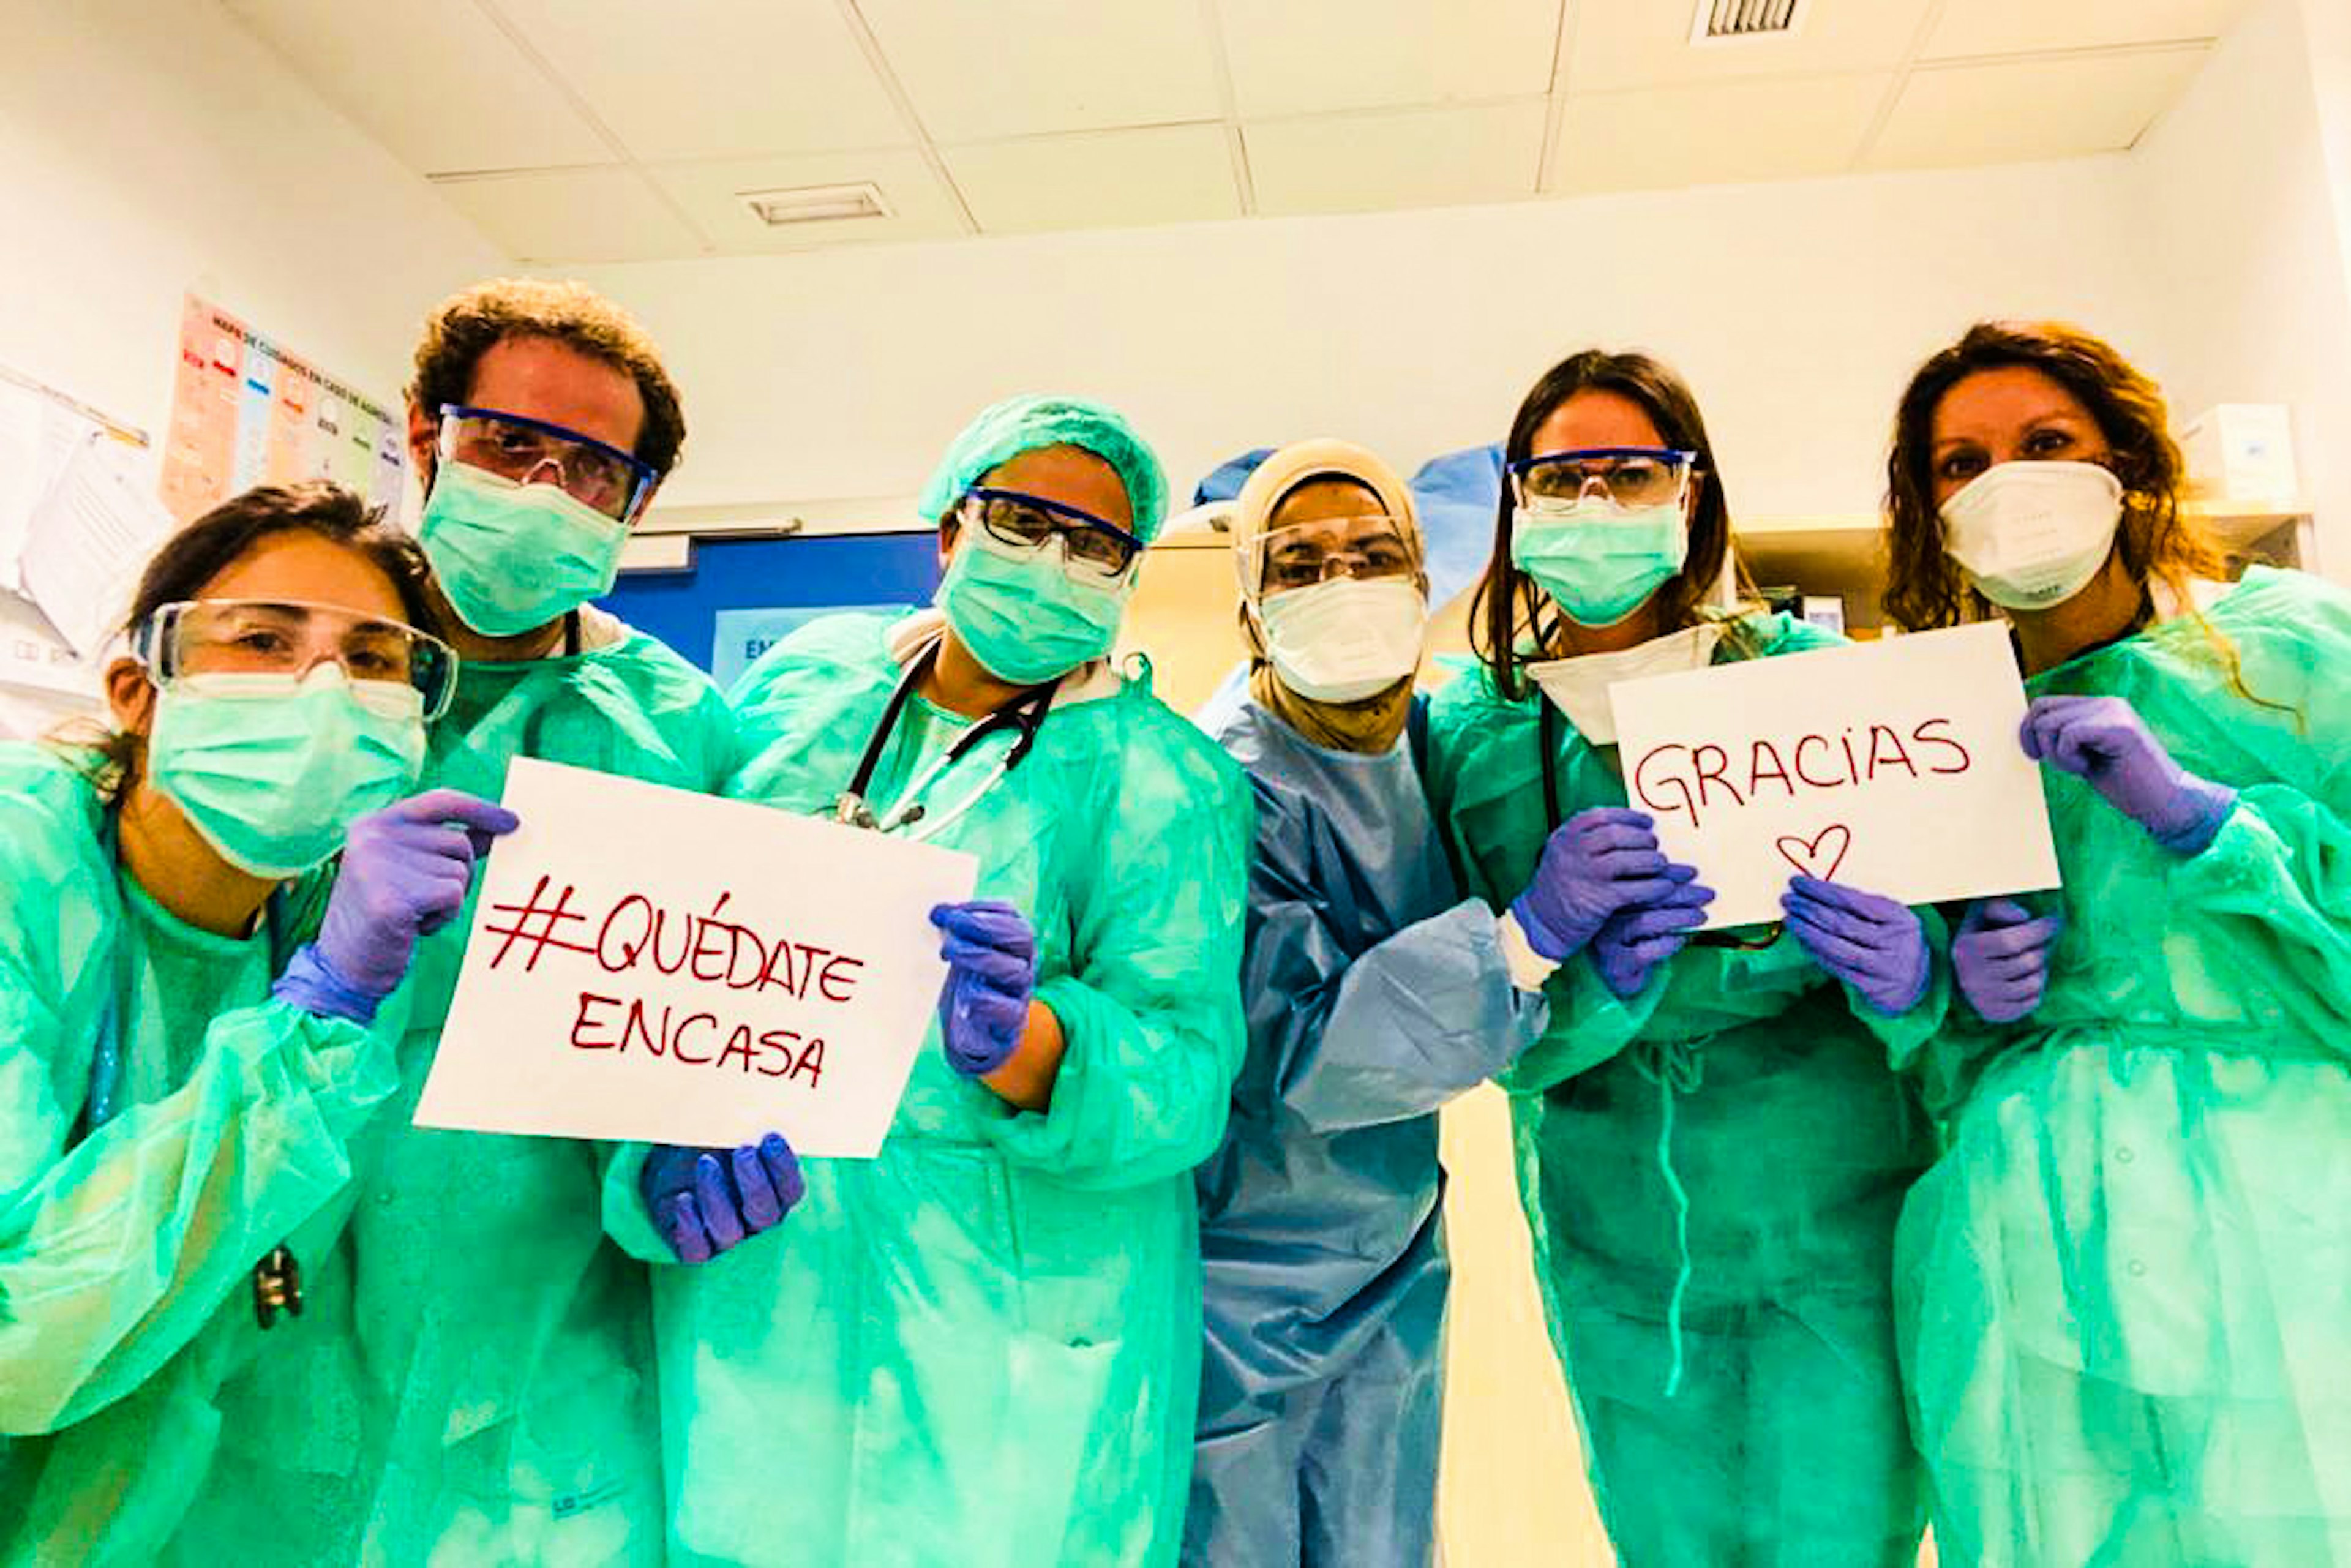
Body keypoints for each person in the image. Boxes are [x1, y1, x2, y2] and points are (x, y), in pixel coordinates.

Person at [174, 279, 771, 1562]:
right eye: (509, 444)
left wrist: (668, 1169)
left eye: (593, 470)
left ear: (637, 504)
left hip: (538, 1351)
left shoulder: (683, 733)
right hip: (249, 1285)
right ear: (425, 432)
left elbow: (679, 1034)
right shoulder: (289, 670)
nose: (544, 487)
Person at [605, 394, 1252, 1567]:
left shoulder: (1167, 780)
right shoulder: (812, 688)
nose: (1053, 559)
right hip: (769, 1288)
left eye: (1095, 543)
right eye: (1019, 518)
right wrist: (656, 1158)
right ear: (948, 532)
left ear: (1127, 576)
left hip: (1013, 1330)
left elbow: (1189, 1071)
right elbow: (678, 946)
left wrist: (1031, 1041)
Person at [1422, 350, 1943, 1566]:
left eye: (1631, 473)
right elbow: (1472, 1019)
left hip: (1833, 1231)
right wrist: (1571, 965)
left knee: (1841, 1531)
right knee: (1667, 1537)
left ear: (1690, 494)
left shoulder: (1815, 694)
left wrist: (1912, 978)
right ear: (1516, 501)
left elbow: (1961, 972)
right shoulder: (1476, 736)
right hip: (1620, 1252)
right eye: (1563, 479)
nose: (1596, 507)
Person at [1881, 320, 2351, 1565]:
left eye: (2046, 444)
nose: (2005, 482)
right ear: (1927, 510)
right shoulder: (1932, 724)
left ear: (2128, 468)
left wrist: (2215, 827)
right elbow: (1921, 1062)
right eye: (1960, 463)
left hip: (2289, 1200)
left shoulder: (2294, 653)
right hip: (2033, 1219)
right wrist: (1951, 995)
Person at [0, 482, 513, 1562]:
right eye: (265, 639)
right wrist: (314, 1013)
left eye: (374, 659)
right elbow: (18, 1343)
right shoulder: (21, 875)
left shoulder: (342, 912)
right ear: (140, 690)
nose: (323, 689)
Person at [1184, 439, 1543, 1567]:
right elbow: (1301, 1058)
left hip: (1391, 1254)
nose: (1343, 582)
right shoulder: (1224, 781)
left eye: (1374, 552)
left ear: (1422, 580)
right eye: (1300, 563)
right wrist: (1522, 949)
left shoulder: (1428, 746)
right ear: (1251, 605)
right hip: (1238, 1280)